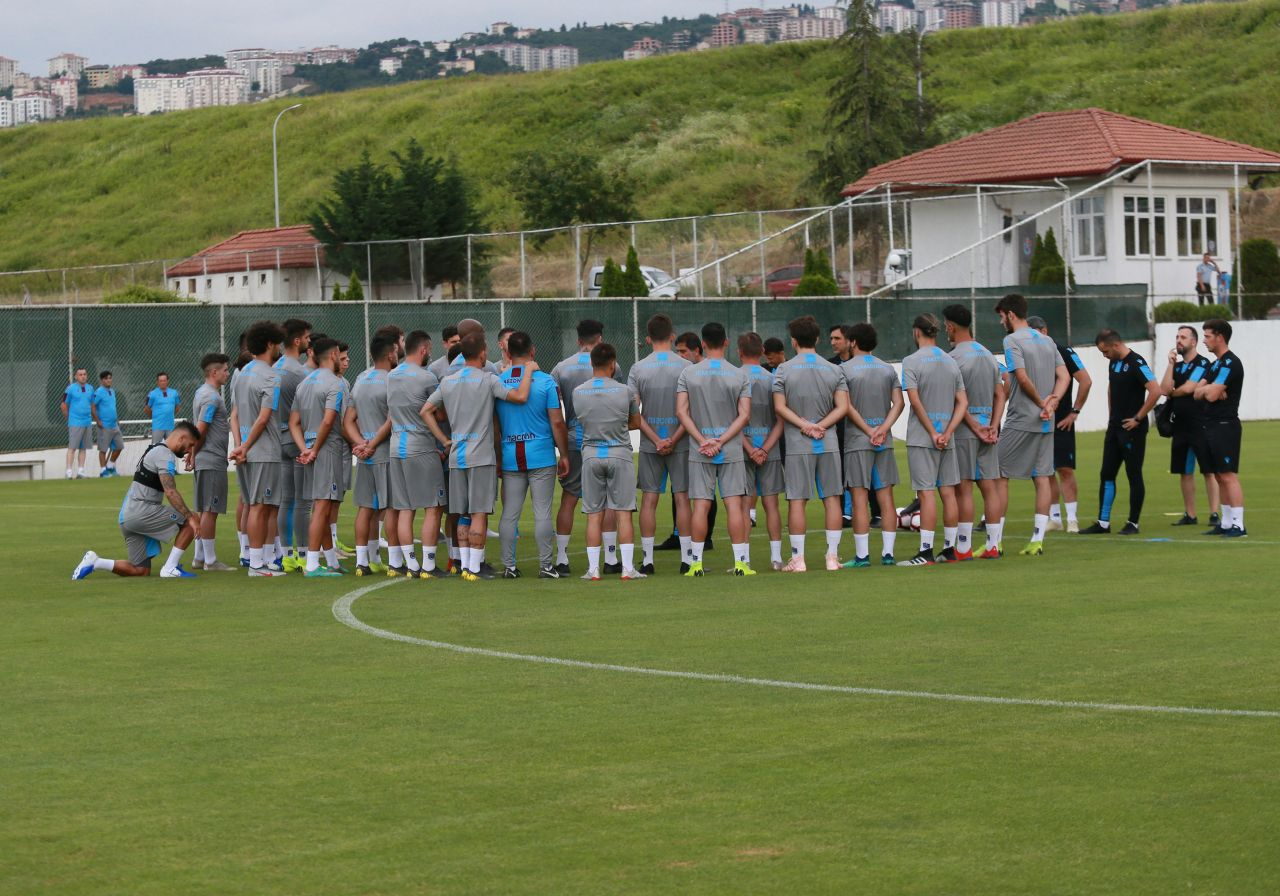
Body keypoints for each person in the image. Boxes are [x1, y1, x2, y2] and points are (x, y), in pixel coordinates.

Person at [422, 332, 535, 581]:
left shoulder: (448, 381)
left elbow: (426, 410)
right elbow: (520, 396)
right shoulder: (488, 380)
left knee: (461, 513)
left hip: (456, 456)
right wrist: (527, 372)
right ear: (483, 353)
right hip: (481, 456)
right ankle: (474, 568)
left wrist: (444, 440)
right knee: (479, 512)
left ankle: (464, 565)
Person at [72, 422, 202, 580]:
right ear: (181, 438)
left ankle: (96, 562)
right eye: (190, 445)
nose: (189, 451)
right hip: (141, 513)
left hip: (127, 517)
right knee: (192, 519)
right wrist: (189, 517)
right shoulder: (164, 454)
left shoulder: (154, 449)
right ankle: (170, 568)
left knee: (140, 570)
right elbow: (170, 491)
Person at [771, 315, 849, 572]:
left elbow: (780, 407)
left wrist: (805, 426)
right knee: (832, 499)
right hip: (826, 442)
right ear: (816, 339)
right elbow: (843, 407)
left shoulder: (783, 369)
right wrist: (822, 426)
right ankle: (832, 557)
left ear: (793, 341)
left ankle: (798, 558)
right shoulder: (834, 369)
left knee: (797, 500)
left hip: (798, 443)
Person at [675, 322, 753, 576]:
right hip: (729, 448)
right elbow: (744, 416)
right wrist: (720, 441)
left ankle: (695, 563)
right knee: (734, 505)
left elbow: (681, 412)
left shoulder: (689, 373)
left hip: (701, 449)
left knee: (701, 506)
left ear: (703, 344)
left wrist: (702, 440)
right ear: (726, 342)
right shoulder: (740, 375)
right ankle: (741, 563)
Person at [996, 293, 1069, 556]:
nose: (1001, 322)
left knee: (999, 475)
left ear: (1011, 315)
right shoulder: (1047, 340)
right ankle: (1037, 540)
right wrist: (1053, 403)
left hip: (1022, 417)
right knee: (1042, 477)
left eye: (1002, 317)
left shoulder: (1012, 340)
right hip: (1046, 419)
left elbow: (1022, 378)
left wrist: (1041, 403)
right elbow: (1064, 376)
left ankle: (996, 541)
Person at [495, 331, 569, 579]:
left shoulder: (499, 380)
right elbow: (557, 422)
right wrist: (565, 454)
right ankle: (546, 566)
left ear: (507, 353)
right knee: (542, 512)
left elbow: (495, 424)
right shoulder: (546, 381)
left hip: (509, 454)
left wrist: (497, 454)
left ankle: (509, 566)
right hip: (540, 454)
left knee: (509, 513)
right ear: (533, 351)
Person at [551, 319, 621, 575]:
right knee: (608, 499)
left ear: (578, 340)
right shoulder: (613, 365)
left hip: (573, 436)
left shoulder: (561, 368)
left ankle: (561, 558)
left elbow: (553, 407)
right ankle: (611, 559)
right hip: (603, 437)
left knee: (569, 498)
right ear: (600, 339)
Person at [898, 314, 967, 567]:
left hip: (922, 438)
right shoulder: (950, 361)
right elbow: (963, 402)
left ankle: (925, 552)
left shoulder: (911, 361)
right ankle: (949, 549)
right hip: (946, 438)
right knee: (948, 493)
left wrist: (933, 432)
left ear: (917, 332)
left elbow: (915, 401)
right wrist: (947, 432)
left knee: (926, 494)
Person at [572, 343, 644, 580]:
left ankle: (593, 570)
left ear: (592, 363)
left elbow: (582, 422)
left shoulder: (578, 391)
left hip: (591, 453)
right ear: (613, 364)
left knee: (594, 514)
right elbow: (635, 422)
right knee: (623, 512)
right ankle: (627, 569)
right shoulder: (625, 392)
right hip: (619, 453)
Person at [627, 313, 692, 574]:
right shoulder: (686, 366)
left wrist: (656, 439)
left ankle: (648, 560)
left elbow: (634, 412)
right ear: (673, 336)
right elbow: (690, 410)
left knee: (649, 499)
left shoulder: (638, 368)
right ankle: (688, 558)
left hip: (650, 443)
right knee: (683, 499)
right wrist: (673, 438)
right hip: (681, 440)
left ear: (647, 338)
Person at [1081, 330, 1161, 535]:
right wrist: (1111, 416)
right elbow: (1111, 389)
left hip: (1132, 430)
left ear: (1116, 345)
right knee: (1106, 474)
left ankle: (1133, 523)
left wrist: (1138, 418)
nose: (1104, 355)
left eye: (1105, 351)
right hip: (1115, 427)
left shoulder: (1136, 362)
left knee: (1133, 474)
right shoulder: (1113, 363)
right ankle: (1103, 523)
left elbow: (1155, 390)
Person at [943, 305, 1006, 561]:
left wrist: (975, 426)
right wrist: (992, 424)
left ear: (950, 326)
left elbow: (960, 400)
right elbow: (1000, 394)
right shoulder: (988, 354)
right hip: (988, 430)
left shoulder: (954, 358)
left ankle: (964, 547)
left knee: (964, 489)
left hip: (966, 431)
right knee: (989, 487)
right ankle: (993, 545)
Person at [840, 323, 904, 567]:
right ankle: (888, 554)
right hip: (883, 440)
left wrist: (868, 430)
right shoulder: (887, 368)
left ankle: (862, 556)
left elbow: (845, 406)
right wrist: (883, 429)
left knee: (858, 497)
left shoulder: (844, 370)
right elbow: (898, 403)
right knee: (886, 496)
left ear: (853, 342)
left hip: (859, 440)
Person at [228, 320, 286, 577]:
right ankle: (257, 564)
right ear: (270, 344)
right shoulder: (272, 376)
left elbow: (236, 414)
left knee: (255, 505)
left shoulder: (242, 374)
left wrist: (240, 446)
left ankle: (260, 560)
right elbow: (264, 418)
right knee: (261, 506)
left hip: (247, 450)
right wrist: (247, 445)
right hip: (264, 451)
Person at [292, 337, 355, 577]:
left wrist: (305, 448)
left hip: (311, 449)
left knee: (323, 506)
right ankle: (311, 564)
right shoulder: (336, 384)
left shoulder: (305, 383)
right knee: (321, 506)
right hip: (326, 449)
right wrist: (316, 449)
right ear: (333, 356)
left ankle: (332, 562)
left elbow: (294, 422)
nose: (342, 360)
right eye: (340, 355)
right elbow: (329, 420)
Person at [386, 330, 445, 578]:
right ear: (423, 349)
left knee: (405, 508)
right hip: (420, 446)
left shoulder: (391, 375)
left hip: (396, 446)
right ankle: (429, 565)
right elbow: (437, 413)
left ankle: (411, 565)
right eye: (429, 350)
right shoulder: (427, 377)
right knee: (433, 505)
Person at [1027, 316, 1092, 533]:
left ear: (1044, 331)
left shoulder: (1065, 352)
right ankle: (1054, 518)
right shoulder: (1028, 355)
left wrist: (1074, 411)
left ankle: (1072, 518)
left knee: (1064, 469)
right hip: (1039, 420)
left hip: (1062, 420)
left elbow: (1086, 380)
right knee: (1045, 471)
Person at [1160, 325, 1219, 527]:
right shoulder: (1176, 366)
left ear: (1193, 341)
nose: (1179, 340)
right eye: (1177, 337)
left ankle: (1214, 513)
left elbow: (1190, 388)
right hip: (1181, 426)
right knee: (1185, 472)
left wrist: (1172, 392)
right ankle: (1190, 514)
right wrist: (1169, 365)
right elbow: (1164, 388)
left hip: (1200, 423)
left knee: (1208, 471)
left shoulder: (1203, 363)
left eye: (1183, 337)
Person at [1192, 319, 1246, 537]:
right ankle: (1225, 523)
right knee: (1219, 476)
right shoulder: (1214, 365)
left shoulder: (1230, 363)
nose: (1204, 341)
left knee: (1228, 475)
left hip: (1225, 425)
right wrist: (1208, 389)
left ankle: (1238, 525)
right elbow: (1196, 392)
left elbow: (1211, 394)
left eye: (1207, 336)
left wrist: (1210, 389)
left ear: (1220, 337)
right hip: (1211, 424)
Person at [738, 332, 786, 570]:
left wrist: (750, 448)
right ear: (762, 352)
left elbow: (732, 420)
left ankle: (743, 559)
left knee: (745, 504)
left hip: (743, 446)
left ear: (739, 352)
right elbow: (781, 419)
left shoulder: (735, 377)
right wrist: (765, 448)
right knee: (771, 504)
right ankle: (776, 558)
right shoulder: (773, 378)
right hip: (770, 445)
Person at [348, 335, 395, 576]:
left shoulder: (360, 379)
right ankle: (397, 561)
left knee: (366, 508)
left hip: (364, 454)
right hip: (384, 453)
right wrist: (373, 444)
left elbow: (348, 420)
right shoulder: (392, 380)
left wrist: (361, 444)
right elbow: (392, 418)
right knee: (390, 507)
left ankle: (363, 561)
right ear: (390, 354)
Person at [187, 352, 235, 572]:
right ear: (214, 372)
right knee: (210, 509)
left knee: (205, 508)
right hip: (211, 459)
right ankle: (210, 560)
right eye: (225, 369)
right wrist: (193, 451)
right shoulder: (211, 397)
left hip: (206, 458)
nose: (228, 373)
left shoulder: (202, 392)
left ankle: (199, 558)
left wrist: (193, 452)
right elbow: (201, 428)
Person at [273, 318, 312, 571]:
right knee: (303, 501)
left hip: (277, 437)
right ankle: (305, 554)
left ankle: (285, 554)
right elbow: (305, 411)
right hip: (296, 438)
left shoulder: (274, 368)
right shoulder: (299, 372)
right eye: (307, 337)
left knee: (286, 499)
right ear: (297, 340)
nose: (310, 342)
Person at [62, 367, 93, 479]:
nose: (83, 376)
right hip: (75, 422)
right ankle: (69, 472)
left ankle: (81, 471)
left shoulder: (90, 388)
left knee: (83, 448)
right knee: (72, 447)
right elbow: (64, 405)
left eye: (84, 374)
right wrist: (69, 418)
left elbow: (92, 404)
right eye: (80, 374)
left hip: (87, 422)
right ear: (76, 376)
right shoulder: (70, 389)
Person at [91, 371, 124, 477]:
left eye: (110, 378)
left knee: (119, 446)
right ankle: (103, 471)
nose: (109, 380)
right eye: (106, 378)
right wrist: (98, 420)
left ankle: (110, 466)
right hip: (104, 425)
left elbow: (111, 407)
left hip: (114, 425)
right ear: (102, 380)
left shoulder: (112, 391)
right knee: (103, 449)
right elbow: (92, 406)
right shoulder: (99, 392)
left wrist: (117, 419)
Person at [146, 372, 181, 443]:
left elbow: (177, 407)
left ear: (168, 381)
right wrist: (154, 417)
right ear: (157, 382)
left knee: (171, 449)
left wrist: (169, 415)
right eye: (160, 381)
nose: (163, 382)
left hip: (170, 426)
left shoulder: (174, 393)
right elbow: (146, 409)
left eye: (164, 380)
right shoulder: (152, 394)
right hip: (157, 427)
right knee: (155, 448)